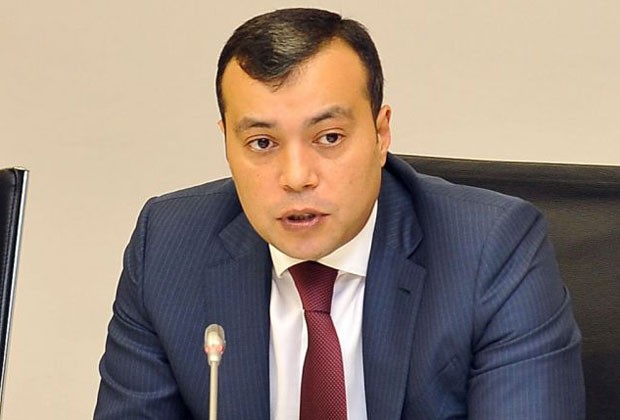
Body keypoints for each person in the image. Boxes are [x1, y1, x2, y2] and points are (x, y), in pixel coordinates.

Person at [94, 8, 585, 419]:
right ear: (226, 142)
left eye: (328, 137)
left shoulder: (490, 249)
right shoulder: (167, 247)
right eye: (262, 143)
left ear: (381, 133)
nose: (296, 177)